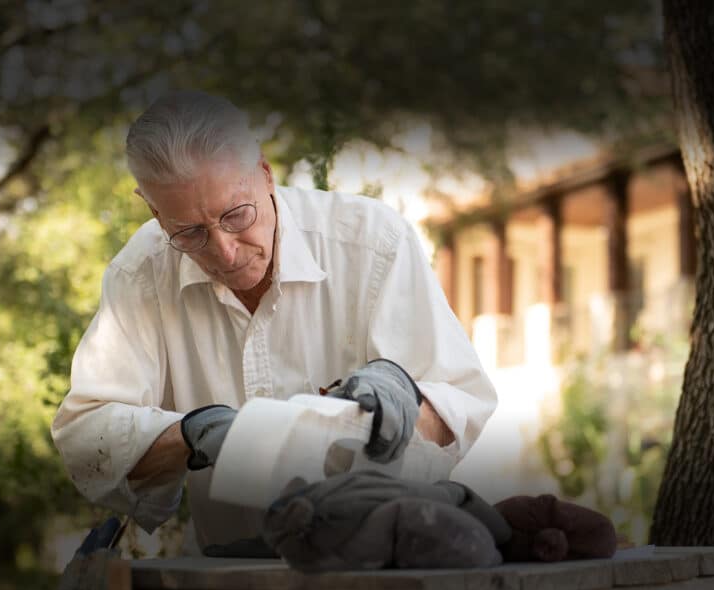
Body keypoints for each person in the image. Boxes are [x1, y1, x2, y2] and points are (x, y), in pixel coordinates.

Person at [51, 90, 497, 551]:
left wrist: (405, 399)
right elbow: (86, 436)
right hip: (232, 567)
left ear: (265, 173)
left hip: (382, 556)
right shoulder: (141, 274)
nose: (225, 252)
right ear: (155, 213)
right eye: (190, 233)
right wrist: (193, 434)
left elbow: (460, 405)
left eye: (236, 215)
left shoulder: (373, 242)